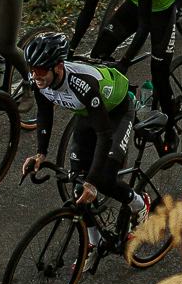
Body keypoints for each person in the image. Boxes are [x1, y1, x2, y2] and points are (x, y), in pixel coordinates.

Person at [20, 31, 147, 266]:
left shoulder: (82, 84)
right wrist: (40, 153)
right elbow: (44, 114)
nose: (35, 75)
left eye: (39, 70)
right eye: (31, 68)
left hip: (116, 113)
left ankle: (139, 204)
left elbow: (104, 135)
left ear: (58, 67)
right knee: (78, 185)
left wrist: (93, 181)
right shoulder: (38, 81)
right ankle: (94, 242)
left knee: (103, 180)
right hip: (88, 115)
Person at [69, 0, 179, 150]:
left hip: (161, 10)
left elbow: (145, 25)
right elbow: (88, 10)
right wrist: (70, 48)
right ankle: (130, 103)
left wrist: (125, 61)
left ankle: (171, 126)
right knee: (99, 54)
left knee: (159, 71)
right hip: (136, 3)